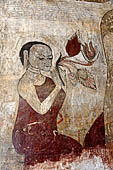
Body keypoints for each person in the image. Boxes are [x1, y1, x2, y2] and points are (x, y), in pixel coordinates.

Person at [12, 42, 83, 167]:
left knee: (76, 149)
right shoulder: (25, 83)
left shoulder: (49, 80)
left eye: (49, 58)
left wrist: (63, 82)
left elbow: (57, 103)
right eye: (40, 58)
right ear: (26, 56)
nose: (46, 62)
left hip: (49, 134)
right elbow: (41, 109)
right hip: (28, 135)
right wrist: (58, 87)